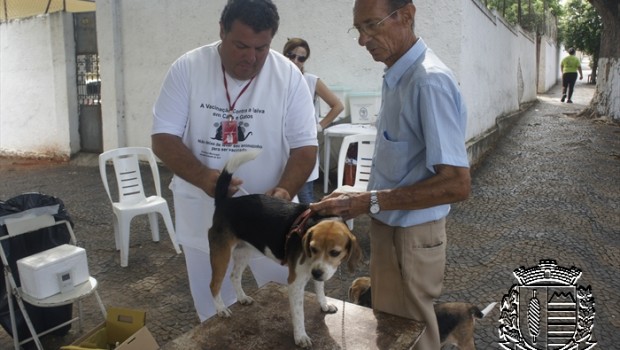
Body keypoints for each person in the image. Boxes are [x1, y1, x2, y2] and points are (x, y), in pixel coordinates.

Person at [310, 0, 471, 348]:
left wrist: (368, 200)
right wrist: (359, 199)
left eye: (371, 25)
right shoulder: (398, 75)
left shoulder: (428, 82)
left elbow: (457, 183)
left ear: (406, 15)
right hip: (389, 227)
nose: (362, 39)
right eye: (358, 29)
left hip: (412, 235)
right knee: (389, 326)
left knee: (414, 334)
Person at [151, 0, 317, 322]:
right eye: (241, 45)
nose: (251, 57)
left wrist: (284, 191)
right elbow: (162, 138)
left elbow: (305, 148)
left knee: (284, 305)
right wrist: (203, 177)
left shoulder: (289, 77)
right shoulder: (188, 68)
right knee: (214, 308)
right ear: (222, 32)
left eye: (262, 47)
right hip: (206, 212)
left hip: (272, 217)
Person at [283, 38, 344, 203]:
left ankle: (306, 229)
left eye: (301, 58)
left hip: (302, 148)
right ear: (284, 55)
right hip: (280, 146)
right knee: (281, 197)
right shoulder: (277, 78)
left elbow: (337, 105)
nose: (295, 61)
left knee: (305, 198)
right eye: (291, 55)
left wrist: (319, 126)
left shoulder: (310, 80)